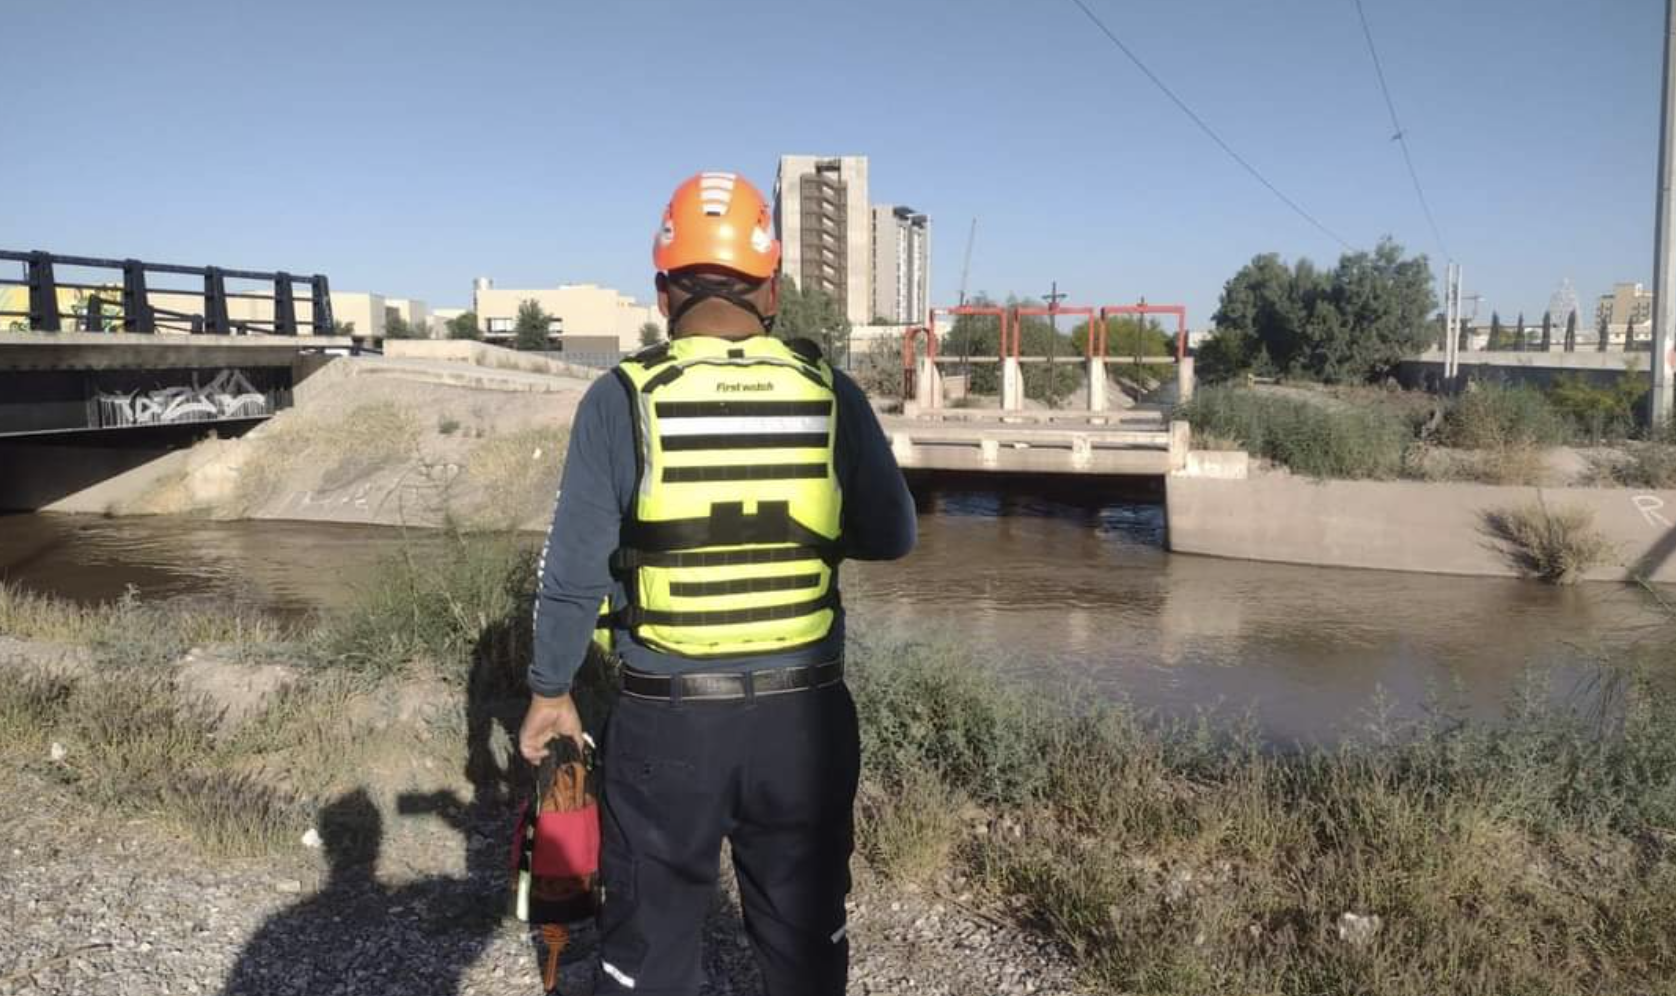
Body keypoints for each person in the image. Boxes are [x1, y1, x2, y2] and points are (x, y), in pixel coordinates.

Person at [517, 170, 916, 996]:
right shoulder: (829, 393)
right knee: (805, 939)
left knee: (651, 949)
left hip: (667, 727)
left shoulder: (620, 398)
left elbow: (571, 574)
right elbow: (893, 534)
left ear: (664, 291)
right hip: (805, 720)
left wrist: (550, 690)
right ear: (771, 287)